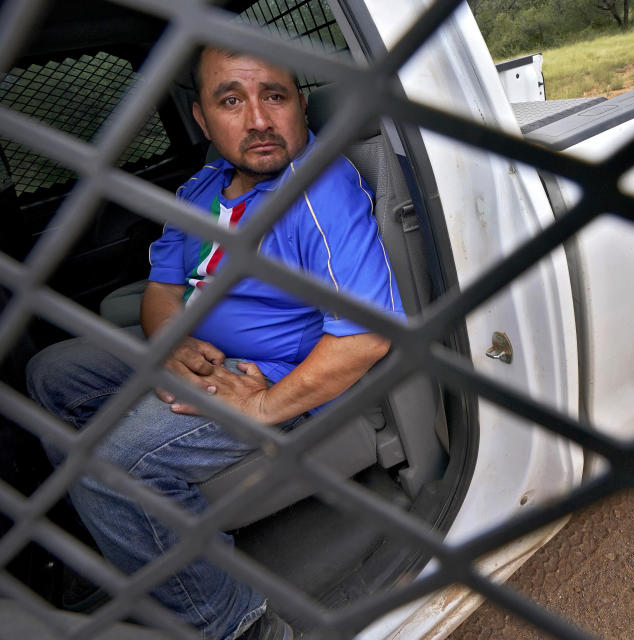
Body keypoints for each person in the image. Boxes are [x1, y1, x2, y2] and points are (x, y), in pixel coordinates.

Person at [27, 46, 402, 640]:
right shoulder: (201, 188)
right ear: (201, 119)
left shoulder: (319, 191)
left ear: (301, 107)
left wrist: (258, 406)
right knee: (52, 373)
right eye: (232, 99)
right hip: (198, 347)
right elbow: (163, 287)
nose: (258, 119)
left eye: (274, 96)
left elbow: (366, 336)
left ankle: (237, 626)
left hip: (271, 375)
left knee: (109, 467)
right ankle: (124, 537)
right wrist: (168, 341)